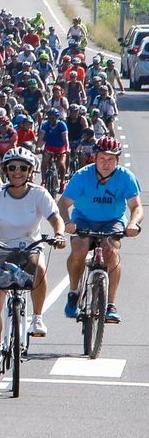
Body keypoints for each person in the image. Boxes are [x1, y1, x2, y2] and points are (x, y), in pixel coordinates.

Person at [0, 148, 66, 359]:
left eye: (23, 168)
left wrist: (59, 234)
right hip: (0, 249)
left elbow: (55, 218)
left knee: (38, 268)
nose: (17, 172)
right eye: (12, 168)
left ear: (30, 171)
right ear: (5, 171)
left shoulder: (39, 194)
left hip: (29, 248)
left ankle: (37, 317)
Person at [60, 137, 143, 323]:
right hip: (84, 219)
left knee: (111, 251)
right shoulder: (82, 175)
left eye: (111, 159)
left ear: (118, 160)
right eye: (102, 159)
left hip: (112, 220)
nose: (106, 164)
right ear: (94, 158)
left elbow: (137, 207)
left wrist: (133, 224)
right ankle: (74, 292)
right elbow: (63, 204)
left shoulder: (126, 177)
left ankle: (111, 304)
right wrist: (67, 223)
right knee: (79, 247)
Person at [39, 107, 70, 190]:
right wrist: (37, 147)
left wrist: (67, 149)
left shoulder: (62, 125)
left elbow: (65, 138)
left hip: (60, 147)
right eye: (49, 117)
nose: (51, 119)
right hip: (49, 146)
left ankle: (62, 182)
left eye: (52, 117)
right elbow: (41, 137)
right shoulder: (45, 125)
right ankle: (43, 180)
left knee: (61, 163)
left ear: (57, 117)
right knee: (44, 161)